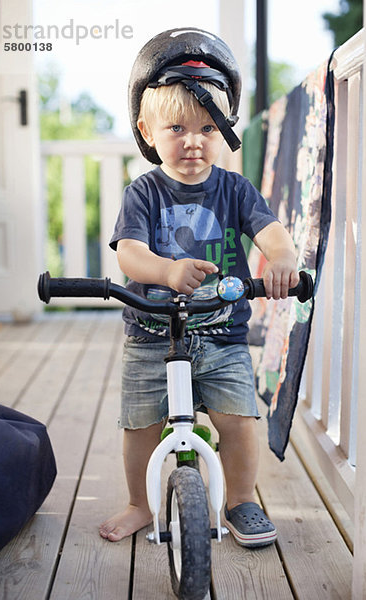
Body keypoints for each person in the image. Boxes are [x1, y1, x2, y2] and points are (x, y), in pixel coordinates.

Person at [99, 27, 299, 548]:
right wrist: (165, 272)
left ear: (224, 131)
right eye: (177, 127)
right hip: (150, 333)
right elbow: (129, 252)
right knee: (140, 425)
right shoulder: (143, 192)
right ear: (147, 130)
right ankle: (139, 503)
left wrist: (280, 257)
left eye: (208, 128)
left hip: (221, 335)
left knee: (237, 421)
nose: (193, 140)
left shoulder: (234, 188)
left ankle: (241, 500)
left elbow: (272, 232)